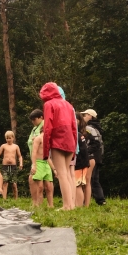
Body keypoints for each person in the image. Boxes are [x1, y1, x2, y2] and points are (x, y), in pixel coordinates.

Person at [39, 82, 78, 210]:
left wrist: (46, 151)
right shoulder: (69, 105)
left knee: (61, 174)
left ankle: (66, 205)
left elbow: (47, 128)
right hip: (70, 140)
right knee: (66, 173)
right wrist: (74, 147)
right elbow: (74, 127)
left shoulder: (48, 104)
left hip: (57, 140)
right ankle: (71, 205)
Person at [27, 109, 57, 207]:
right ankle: (37, 205)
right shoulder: (38, 136)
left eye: (34, 119)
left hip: (45, 163)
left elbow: (47, 156)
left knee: (48, 186)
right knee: (39, 186)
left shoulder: (46, 135)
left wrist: (54, 169)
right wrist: (34, 165)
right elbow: (34, 152)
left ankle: (51, 205)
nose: (33, 122)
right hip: (38, 162)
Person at [82, 109, 106, 206]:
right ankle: (100, 200)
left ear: (90, 116)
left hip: (93, 157)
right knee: (94, 179)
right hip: (98, 156)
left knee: (91, 179)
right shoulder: (97, 127)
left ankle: (99, 200)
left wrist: (86, 152)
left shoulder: (89, 128)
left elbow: (96, 143)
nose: (83, 117)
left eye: (85, 115)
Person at [0, 131, 23, 200]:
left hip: (13, 166)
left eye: (9, 138)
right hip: (5, 166)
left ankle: (16, 199)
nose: (8, 140)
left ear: (13, 138)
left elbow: (19, 156)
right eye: (7, 138)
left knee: (14, 184)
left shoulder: (16, 146)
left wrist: (21, 163)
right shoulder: (3, 146)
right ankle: (4, 199)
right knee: (5, 183)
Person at [74, 112, 90, 207]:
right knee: (76, 185)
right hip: (80, 163)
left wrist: (78, 163)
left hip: (80, 164)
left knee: (77, 185)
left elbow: (82, 151)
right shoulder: (79, 134)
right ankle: (76, 205)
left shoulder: (78, 134)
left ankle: (79, 206)